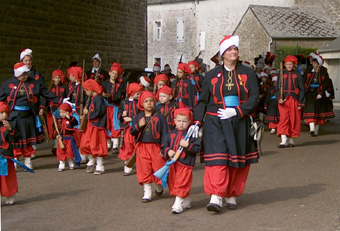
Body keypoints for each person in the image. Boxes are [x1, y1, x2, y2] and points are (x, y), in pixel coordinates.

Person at [192, 35, 259, 212]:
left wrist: (238, 111)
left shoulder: (248, 73)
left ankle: (231, 193)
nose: (234, 51)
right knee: (218, 159)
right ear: (222, 54)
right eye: (230, 49)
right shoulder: (212, 75)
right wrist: (197, 121)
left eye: (235, 49)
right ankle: (216, 196)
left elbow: (254, 97)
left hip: (239, 121)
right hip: (215, 121)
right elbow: (203, 100)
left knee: (237, 160)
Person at [0, 63, 62, 169]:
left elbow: (45, 92)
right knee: (15, 141)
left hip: (28, 116)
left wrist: (60, 100)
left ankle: (28, 161)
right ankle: (15, 160)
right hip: (14, 118)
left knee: (28, 141)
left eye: (26, 74)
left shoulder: (34, 83)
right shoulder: (7, 84)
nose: (26, 76)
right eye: (23, 74)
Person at [161, 108, 201, 214]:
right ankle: (185, 198)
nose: (181, 123)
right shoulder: (169, 134)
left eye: (184, 121)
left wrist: (188, 146)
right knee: (173, 183)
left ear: (189, 122)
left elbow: (197, 148)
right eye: (179, 121)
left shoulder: (192, 134)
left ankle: (178, 204)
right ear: (174, 121)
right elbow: (163, 146)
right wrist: (168, 151)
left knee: (181, 183)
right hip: (173, 164)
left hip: (185, 163)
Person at [130, 91, 168, 202]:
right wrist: (138, 126)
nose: (149, 103)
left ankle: (159, 185)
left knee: (159, 167)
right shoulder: (138, 117)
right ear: (142, 103)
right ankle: (147, 191)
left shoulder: (160, 117)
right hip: (142, 147)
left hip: (156, 147)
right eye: (146, 101)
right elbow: (132, 132)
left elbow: (165, 134)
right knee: (144, 169)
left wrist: (164, 148)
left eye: (151, 100)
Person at [80, 79, 108, 175]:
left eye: (86, 90)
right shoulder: (94, 99)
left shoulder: (98, 99)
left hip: (97, 126)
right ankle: (91, 160)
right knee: (86, 144)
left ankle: (99, 165)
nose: (85, 92)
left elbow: (98, 112)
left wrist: (88, 114)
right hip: (91, 126)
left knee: (97, 145)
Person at [302, 52, 335, 136]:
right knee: (310, 111)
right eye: (313, 62)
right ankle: (312, 129)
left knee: (318, 114)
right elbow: (304, 80)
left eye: (314, 62)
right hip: (309, 93)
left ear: (318, 63)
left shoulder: (323, 71)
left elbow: (325, 83)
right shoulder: (309, 69)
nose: (313, 64)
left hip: (320, 94)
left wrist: (321, 93)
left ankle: (316, 130)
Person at [276, 55, 305, 147]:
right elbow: (277, 88)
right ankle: (283, 140)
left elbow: (302, 89)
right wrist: (278, 98)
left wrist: (301, 102)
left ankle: (291, 138)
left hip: (294, 100)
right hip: (283, 100)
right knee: (283, 119)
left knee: (293, 119)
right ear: (284, 65)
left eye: (290, 64)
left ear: (293, 65)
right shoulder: (281, 74)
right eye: (287, 64)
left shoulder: (298, 75)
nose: (288, 66)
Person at [118, 83, 143, 176]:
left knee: (137, 146)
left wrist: (132, 118)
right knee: (127, 146)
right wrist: (122, 115)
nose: (139, 95)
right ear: (132, 93)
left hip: (136, 128)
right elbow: (119, 115)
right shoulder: (124, 102)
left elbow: (141, 115)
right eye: (138, 93)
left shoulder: (139, 103)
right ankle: (127, 166)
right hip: (127, 129)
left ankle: (140, 165)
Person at [102, 62, 125, 153]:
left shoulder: (120, 85)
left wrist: (111, 97)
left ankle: (115, 144)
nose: (114, 75)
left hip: (115, 107)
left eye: (116, 74)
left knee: (115, 125)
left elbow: (120, 96)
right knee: (106, 125)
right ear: (109, 73)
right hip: (106, 107)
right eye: (113, 73)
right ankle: (108, 144)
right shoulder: (104, 84)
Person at [0, 102, 20, 205]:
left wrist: (10, 130)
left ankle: (10, 194)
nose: (4, 115)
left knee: (7, 178)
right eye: (1, 113)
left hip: (5, 156)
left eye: (5, 112)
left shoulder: (10, 125)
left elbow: (16, 138)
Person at [47, 70, 68, 155]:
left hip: (60, 110)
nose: (57, 79)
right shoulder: (49, 88)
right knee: (52, 128)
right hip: (51, 110)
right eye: (56, 77)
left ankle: (57, 145)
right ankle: (55, 144)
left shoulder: (64, 87)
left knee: (59, 127)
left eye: (59, 77)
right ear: (53, 78)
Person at [54, 103, 80, 172]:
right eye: (60, 112)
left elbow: (75, 123)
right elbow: (55, 128)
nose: (62, 114)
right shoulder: (58, 120)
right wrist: (56, 134)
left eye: (63, 112)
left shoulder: (71, 119)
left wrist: (70, 118)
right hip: (61, 139)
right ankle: (61, 164)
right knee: (61, 152)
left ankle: (71, 163)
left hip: (69, 139)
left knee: (70, 152)